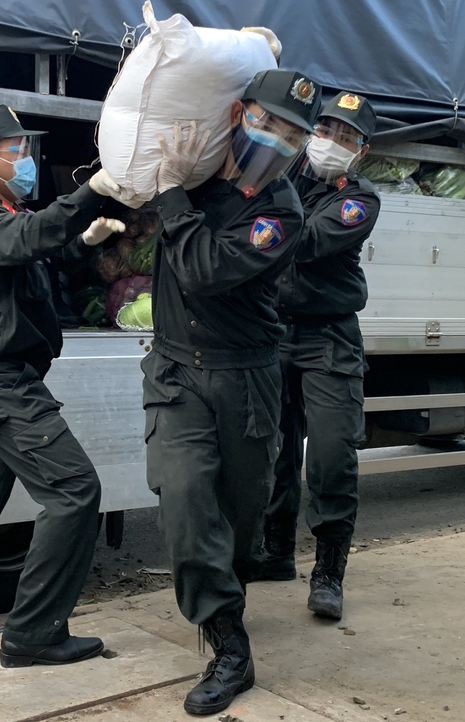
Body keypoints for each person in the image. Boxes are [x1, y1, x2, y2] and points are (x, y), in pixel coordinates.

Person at [140, 70, 321, 716]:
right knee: (187, 502)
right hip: (175, 373)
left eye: (293, 134)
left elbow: (205, 269)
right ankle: (231, 649)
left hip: (245, 378)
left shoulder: (280, 213)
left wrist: (167, 195)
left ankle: (227, 594)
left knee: (239, 525)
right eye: (268, 122)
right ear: (239, 112)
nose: (278, 140)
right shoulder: (190, 171)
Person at [0, 104, 125, 668]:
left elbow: (40, 249)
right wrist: (91, 192)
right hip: (5, 385)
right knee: (75, 493)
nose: (29, 158)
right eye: (19, 150)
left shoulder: (5, 209)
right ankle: (34, 634)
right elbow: (28, 238)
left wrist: (84, 241)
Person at [257, 92, 381, 621]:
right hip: (270, 332)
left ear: (361, 151)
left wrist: (252, 221)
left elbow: (300, 240)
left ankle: (328, 570)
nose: (332, 142)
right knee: (271, 452)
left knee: (329, 456)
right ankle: (275, 552)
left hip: (328, 337)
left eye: (346, 137)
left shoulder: (359, 199)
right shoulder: (279, 171)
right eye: (326, 128)